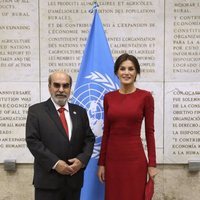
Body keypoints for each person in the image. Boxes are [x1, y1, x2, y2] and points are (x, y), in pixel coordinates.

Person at [26, 71, 95, 200]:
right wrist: (56, 163)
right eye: (57, 85)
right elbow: (33, 141)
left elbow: (89, 139)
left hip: (73, 181)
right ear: (49, 87)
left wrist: (82, 160)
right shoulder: (36, 111)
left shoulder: (80, 112)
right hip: (48, 183)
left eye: (65, 86)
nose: (61, 90)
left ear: (70, 88)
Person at [97, 53, 157, 200]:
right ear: (117, 72)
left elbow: (150, 132)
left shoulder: (145, 97)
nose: (126, 72)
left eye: (131, 69)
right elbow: (106, 132)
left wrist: (152, 164)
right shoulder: (108, 98)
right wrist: (102, 163)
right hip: (112, 160)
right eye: (122, 68)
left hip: (135, 160)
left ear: (137, 72)